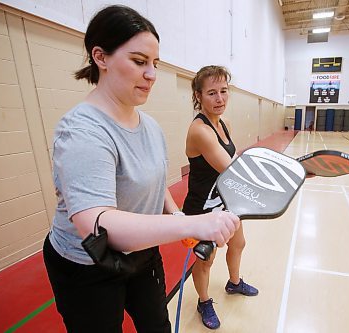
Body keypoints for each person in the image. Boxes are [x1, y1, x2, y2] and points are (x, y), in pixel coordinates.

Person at [42, 6, 240, 333]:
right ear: (101, 57)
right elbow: (98, 225)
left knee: (157, 326)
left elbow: (155, 183)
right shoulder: (81, 132)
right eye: (139, 61)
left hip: (142, 256)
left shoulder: (149, 127)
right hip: (86, 266)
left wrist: (176, 215)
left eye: (155, 64)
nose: (151, 74)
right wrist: (192, 223)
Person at [182, 66, 258, 330]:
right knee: (206, 260)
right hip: (202, 208)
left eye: (224, 91)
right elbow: (232, 170)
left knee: (238, 243)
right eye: (212, 93)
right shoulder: (200, 130)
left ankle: (234, 283)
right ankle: (204, 301)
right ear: (198, 96)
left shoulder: (222, 123)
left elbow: (234, 158)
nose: (220, 99)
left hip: (225, 201)